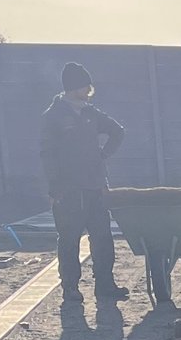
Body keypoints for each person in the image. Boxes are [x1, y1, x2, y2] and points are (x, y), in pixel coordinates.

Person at [40, 62, 127, 302]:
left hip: (95, 187)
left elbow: (118, 131)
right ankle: (70, 288)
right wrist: (54, 187)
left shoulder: (91, 113)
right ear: (73, 87)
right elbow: (47, 154)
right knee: (69, 241)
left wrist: (103, 155)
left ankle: (105, 286)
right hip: (67, 191)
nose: (89, 90)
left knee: (103, 239)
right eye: (85, 86)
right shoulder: (53, 117)